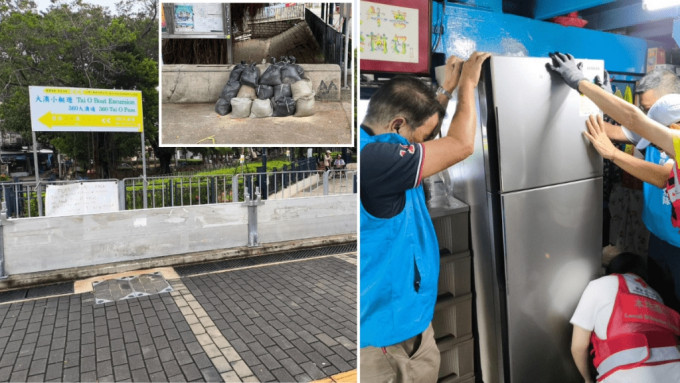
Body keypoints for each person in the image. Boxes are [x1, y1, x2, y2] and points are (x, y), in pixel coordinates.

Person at [360, 51, 490, 382]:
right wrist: (469, 86)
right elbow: (460, 144)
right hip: (389, 344)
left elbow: (425, 134)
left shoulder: (373, 144)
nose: (424, 145)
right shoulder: (377, 160)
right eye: (417, 139)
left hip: (401, 323)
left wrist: (445, 91)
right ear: (397, 125)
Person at [547, 53, 680, 306]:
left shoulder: (674, 134)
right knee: (661, 305)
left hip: (678, 244)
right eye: (644, 110)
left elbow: (665, 176)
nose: (646, 117)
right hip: (658, 237)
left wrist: (580, 82)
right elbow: (612, 129)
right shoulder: (661, 123)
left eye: (650, 110)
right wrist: (599, 102)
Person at [570, 252, 680, 382]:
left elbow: (579, 346)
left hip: (626, 375)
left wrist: (588, 379)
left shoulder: (601, 284)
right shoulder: (656, 296)